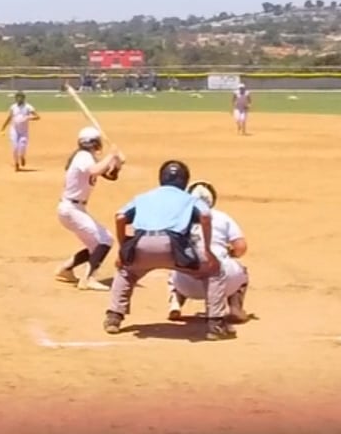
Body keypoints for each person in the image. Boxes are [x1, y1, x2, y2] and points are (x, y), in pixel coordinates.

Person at [102, 160, 234, 341]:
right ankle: (215, 324)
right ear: (185, 181)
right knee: (214, 270)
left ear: (161, 179)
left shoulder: (143, 197)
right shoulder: (189, 199)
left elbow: (120, 217)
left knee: (126, 271)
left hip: (142, 244)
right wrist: (208, 251)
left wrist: (123, 247)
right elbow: (205, 215)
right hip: (174, 247)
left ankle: (114, 317)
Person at [167, 180, 252, 327]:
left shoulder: (179, 218)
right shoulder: (223, 217)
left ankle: (175, 303)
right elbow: (241, 248)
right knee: (241, 271)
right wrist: (229, 254)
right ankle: (235, 307)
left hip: (186, 285)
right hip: (223, 284)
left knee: (174, 267)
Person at [55, 126, 125, 291]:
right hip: (71, 208)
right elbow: (95, 170)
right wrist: (111, 155)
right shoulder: (83, 157)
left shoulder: (87, 157)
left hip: (74, 208)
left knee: (95, 245)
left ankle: (65, 269)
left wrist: (118, 162)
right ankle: (88, 279)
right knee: (105, 240)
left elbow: (110, 175)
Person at [0, 91, 40, 171]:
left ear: (23, 98)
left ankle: (22, 156)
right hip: (14, 130)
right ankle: (16, 163)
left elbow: (38, 117)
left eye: (21, 97)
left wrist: (29, 117)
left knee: (22, 147)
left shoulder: (28, 107)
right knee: (14, 147)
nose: (19, 99)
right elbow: (9, 117)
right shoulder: (13, 107)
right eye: (18, 97)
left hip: (24, 131)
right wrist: (3, 127)